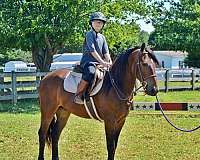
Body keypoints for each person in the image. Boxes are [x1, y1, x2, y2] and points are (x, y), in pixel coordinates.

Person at [74, 11, 112, 104]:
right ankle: (79, 94)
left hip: (99, 63)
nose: (99, 24)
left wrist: (110, 62)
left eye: (101, 22)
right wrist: (102, 62)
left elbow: (106, 52)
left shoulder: (102, 37)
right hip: (88, 62)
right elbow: (92, 50)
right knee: (90, 72)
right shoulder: (89, 34)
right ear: (91, 23)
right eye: (97, 22)